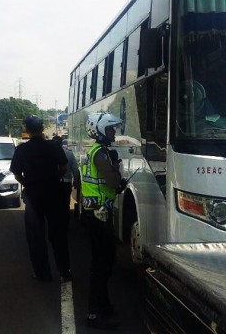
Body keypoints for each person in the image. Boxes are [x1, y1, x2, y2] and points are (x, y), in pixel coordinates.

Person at [9, 115, 71, 282]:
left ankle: (42, 273)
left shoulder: (21, 150)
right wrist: (53, 179)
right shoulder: (54, 146)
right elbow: (64, 168)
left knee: (36, 237)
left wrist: (28, 184)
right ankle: (64, 271)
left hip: (34, 197)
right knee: (58, 234)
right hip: (54, 194)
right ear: (42, 129)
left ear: (27, 131)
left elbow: (16, 174)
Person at [81, 112, 127, 330]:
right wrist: (117, 168)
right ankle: (93, 313)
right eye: (110, 129)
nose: (113, 132)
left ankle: (104, 305)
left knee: (106, 262)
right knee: (101, 265)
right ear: (100, 130)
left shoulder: (98, 151)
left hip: (98, 213)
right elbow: (112, 180)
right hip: (98, 215)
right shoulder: (100, 153)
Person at [52, 135, 80, 230]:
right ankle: (65, 224)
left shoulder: (49, 155)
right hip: (66, 183)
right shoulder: (69, 154)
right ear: (61, 143)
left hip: (54, 184)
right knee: (65, 204)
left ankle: (55, 224)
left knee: (54, 204)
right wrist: (76, 181)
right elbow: (75, 169)